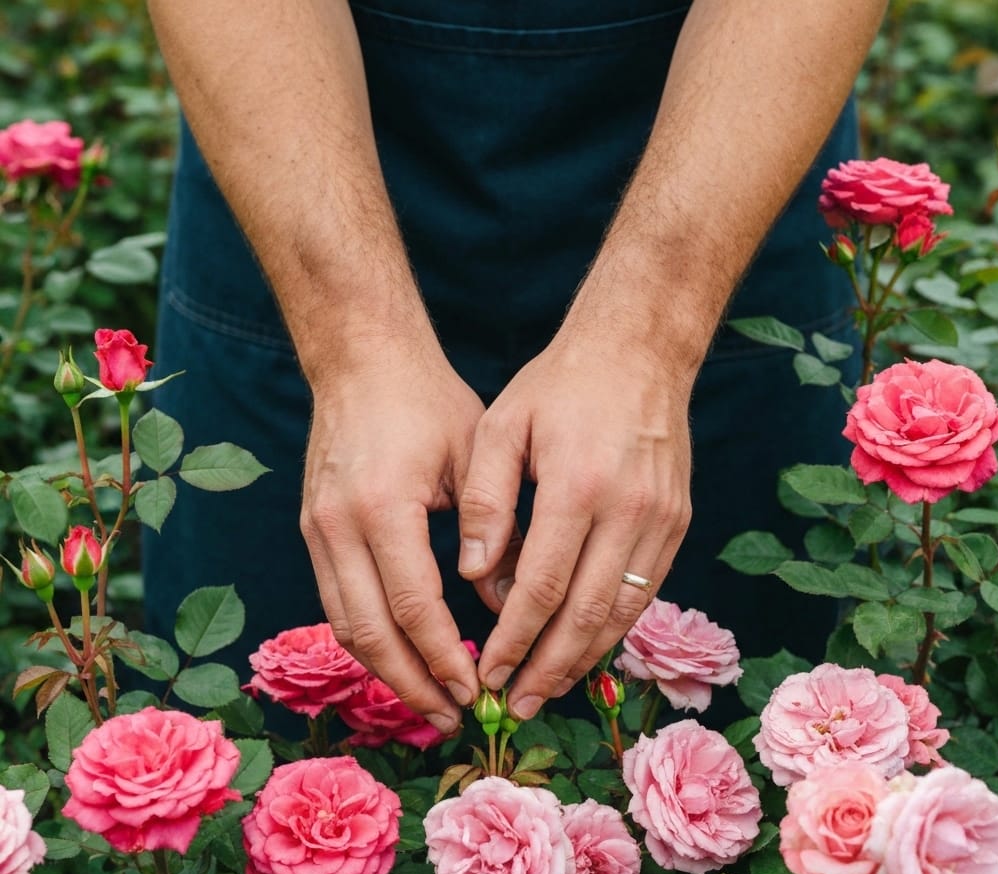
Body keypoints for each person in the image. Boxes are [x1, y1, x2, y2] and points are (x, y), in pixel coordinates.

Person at [143, 0, 888, 735]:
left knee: (745, 764)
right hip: (293, 166)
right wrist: (353, 347)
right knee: (261, 770)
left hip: (731, 160)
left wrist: (651, 336)